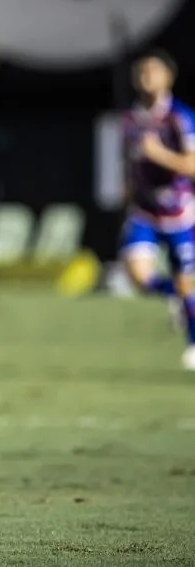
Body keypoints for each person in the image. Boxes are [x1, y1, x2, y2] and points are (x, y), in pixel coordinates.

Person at [119, 50, 195, 369]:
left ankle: (193, 344)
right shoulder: (130, 119)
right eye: (142, 72)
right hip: (144, 211)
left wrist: (159, 154)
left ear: (168, 77)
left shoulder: (180, 116)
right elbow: (129, 162)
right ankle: (174, 295)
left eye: (153, 71)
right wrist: (128, 191)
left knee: (186, 282)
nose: (147, 78)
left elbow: (192, 165)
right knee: (139, 276)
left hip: (179, 213)